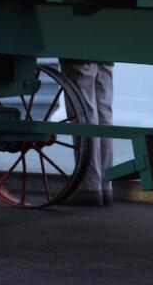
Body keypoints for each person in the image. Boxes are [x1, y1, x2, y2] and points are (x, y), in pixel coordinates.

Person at [59, 58, 114, 205]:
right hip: (107, 45)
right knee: (104, 112)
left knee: (84, 110)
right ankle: (105, 185)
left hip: (79, 45)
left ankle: (89, 186)